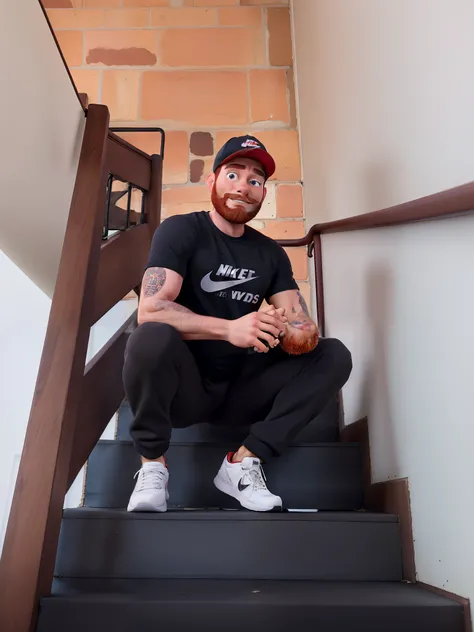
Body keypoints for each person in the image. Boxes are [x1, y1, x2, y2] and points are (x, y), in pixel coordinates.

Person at [123, 135, 352, 513]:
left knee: (334, 354)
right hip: (184, 390)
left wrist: (289, 329)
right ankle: (153, 466)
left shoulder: (270, 253)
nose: (243, 187)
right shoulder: (182, 231)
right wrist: (230, 329)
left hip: (242, 392)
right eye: (233, 174)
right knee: (149, 337)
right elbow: (151, 309)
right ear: (212, 181)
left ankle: (242, 463)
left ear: (262, 193)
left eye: (255, 181)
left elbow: (302, 327)